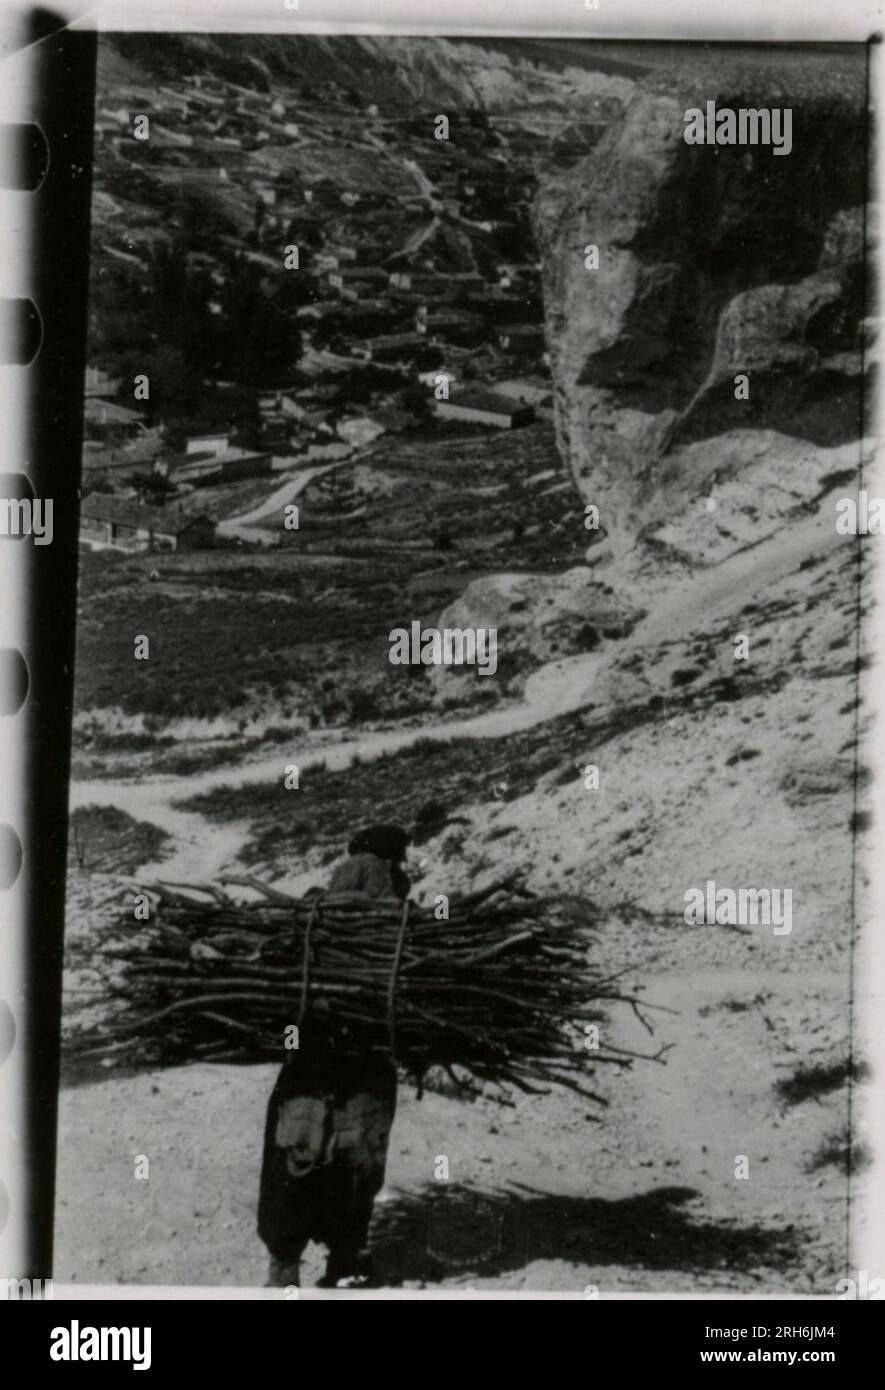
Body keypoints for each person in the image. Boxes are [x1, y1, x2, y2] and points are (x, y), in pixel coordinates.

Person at [257, 824, 410, 1289]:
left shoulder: (319, 918)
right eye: (391, 865)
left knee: (331, 1160)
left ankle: (322, 1261)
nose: (389, 874)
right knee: (330, 1158)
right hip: (336, 1062)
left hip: (331, 1061)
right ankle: (326, 1260)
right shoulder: (382, 921)